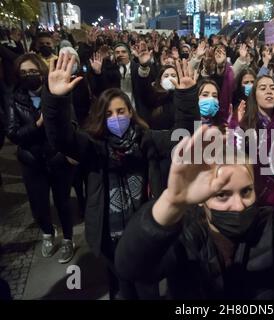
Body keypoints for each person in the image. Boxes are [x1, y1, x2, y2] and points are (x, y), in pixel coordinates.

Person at [115, 118, 274, 299]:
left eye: (246, 191)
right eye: (222, 195)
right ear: (202, 199)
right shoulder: (185, 233)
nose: (238, 206)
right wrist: (171, 202)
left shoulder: (270, 227)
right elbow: (132, 268)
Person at [42, 52, 197, 299]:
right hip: (110, 240)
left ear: (130, 112)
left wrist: (187, 97)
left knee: (147, 290)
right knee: (120, 290)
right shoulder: (93, 147)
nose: (116, 117)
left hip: (144, 236)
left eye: (121, 111)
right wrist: (56, 100)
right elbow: (61, 138)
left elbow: (183, 136)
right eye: (109, 114)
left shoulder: (147, 140)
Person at [6, 53, 76, 263]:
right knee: (38, 204)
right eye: (24, 72)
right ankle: (47, 233)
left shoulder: (55, 93)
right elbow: (13, 133)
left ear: (42, 72)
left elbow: (71, 125)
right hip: (32, 161)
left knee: (63, 202)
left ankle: (67, 238)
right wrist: (37, 124)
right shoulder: (14, 98)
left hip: (57, 159)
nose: (29, 76)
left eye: (33, 71)